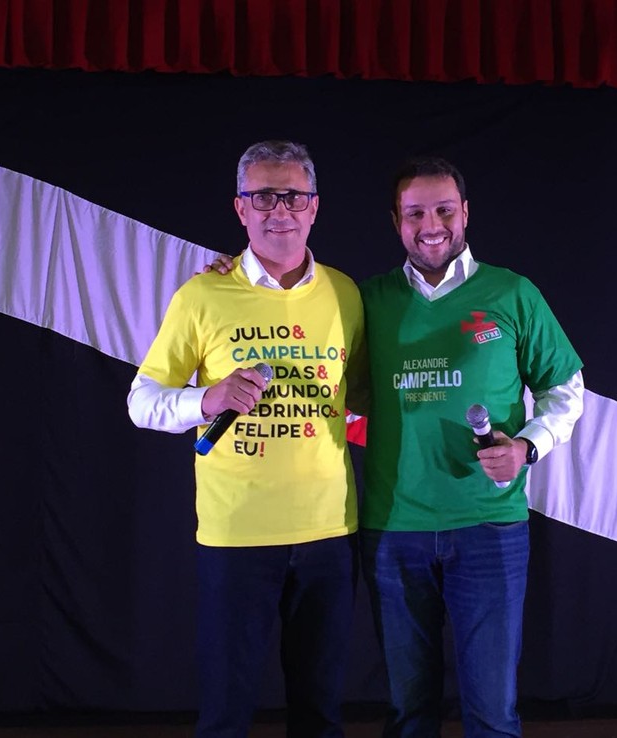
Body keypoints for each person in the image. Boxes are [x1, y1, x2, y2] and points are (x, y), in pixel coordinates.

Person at [206, 155, 583, 737]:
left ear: (465, 213)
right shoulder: (365, 300)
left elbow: (566, 388)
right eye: (415, 214)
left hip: (489, 528)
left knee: (493, 713)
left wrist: (528, 447)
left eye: (444, 210)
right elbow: (324, 353)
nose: (431, 225)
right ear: (395, 221)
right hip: (393, 531)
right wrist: (233, 273)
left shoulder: (512, 293)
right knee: (409, 714)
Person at [128, 140, 366, 738]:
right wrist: (204, 400)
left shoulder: (345, 294)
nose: (279, 210)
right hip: (237, 536)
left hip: (329, 534)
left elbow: (364, 398)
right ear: (240, 208)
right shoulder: (202, 295)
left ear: (315, 207)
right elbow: (141, 402)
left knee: (320, 715)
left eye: (293, 197)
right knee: (226, 716)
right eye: (263, 197)